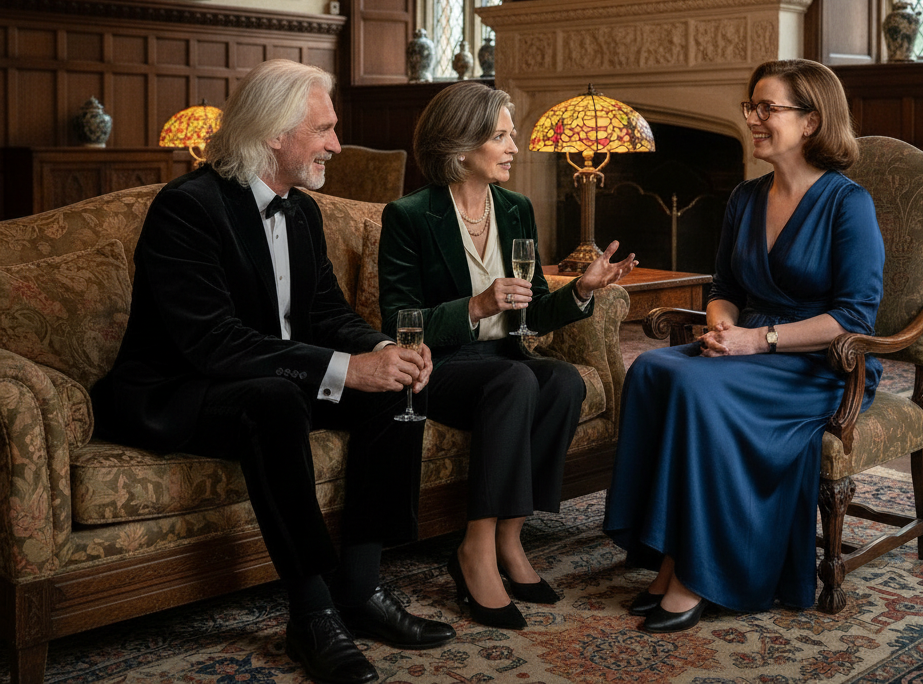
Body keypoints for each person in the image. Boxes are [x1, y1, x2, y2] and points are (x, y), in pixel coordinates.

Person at [91, 59, 455, 684]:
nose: (336, 145)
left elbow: (326, 313)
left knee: (394, 390)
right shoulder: (188, 207)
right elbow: (213, 342)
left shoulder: (302, 211)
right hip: (181, 389)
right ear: (273, 133)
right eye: (324, 130)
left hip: (274, 378)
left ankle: (361, 590)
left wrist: (382, 351)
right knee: (276, 399)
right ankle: (311, 614)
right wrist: (345, 368)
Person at [603, 58, 885, 632]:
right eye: (750, 107)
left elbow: (854, 317)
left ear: (810, 121)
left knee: (692, 384)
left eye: (767, 108)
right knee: (651, 371)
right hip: (747, 345)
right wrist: (722, 329)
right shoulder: (745, 197)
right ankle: (670, 554)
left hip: (820, 363)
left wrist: (757, 340)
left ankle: (698, 574)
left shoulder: (847, 202)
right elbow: (726, 289)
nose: (753, 118)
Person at [378, 81, 637, 629]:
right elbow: (400, 323)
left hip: (503, 357)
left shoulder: (516, 209)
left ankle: (509, 536)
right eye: (501, 136)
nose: (514, 147)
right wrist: (476, 305)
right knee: (516, 381)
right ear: (461, 144)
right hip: (441, 364)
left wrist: (582, 290)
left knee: (564, 380)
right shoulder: (410, 215)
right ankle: (474, 547)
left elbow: (533, 311)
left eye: (511, 135)